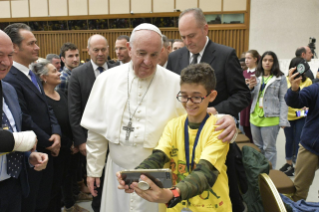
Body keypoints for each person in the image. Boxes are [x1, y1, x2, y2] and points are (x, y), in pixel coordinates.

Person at [81, 23, 236, 212]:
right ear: (130, 49)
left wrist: (225, 118)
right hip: (118, 174)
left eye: (154, 55)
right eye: (142, 53)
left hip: (158, 177)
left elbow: (197, 114)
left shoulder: (175, 82)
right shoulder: (106, 79)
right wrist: (94, 170)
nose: (147, 61)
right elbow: (96, 132)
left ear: (162, 51)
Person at [117, 63, 231, 211]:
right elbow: (158, 157)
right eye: (184, 96)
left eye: (196, 97)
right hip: (176, 207)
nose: (189, 103)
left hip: (210, 207)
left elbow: (205, 173)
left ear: (212, 96)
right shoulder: (173, 125)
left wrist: (173, 194)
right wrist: (136, 176)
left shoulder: (219, 128)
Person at [3, 23, 62, 212]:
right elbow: (26, 122)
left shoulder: (9, 88)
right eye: (31, 43)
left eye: (9, 56)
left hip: (16, 175)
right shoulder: (11, 78)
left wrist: (30, 152)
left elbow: (43, 109)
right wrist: (41, 141)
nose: (5, 62)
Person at [166, 8, 250, 118]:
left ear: (205, 29)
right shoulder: (174, 57)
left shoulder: (225, 55)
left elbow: (242, 95)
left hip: (215, 124)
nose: (187, 42)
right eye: (183, 37)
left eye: (191, 36)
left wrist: (216, 110)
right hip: (181, 124)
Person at [68, 34, 119, 212]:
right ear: (88, 50)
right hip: (91, 140)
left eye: (103, 49)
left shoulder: (118, 69)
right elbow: (74, 111)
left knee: (116, 181)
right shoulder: (78, 74)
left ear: (108, 49)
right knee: (96, 181)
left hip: (116, 138)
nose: (100, 53)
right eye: (95, 49)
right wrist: (81, 141)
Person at [33, 61, 89, 212]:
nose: (59, 73)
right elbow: (50, 126)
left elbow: (71, 118)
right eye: (54, 71)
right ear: (44, 77)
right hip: (57, 149)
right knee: (55, 187)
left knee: (68, 180)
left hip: (71, 148)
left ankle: (69, 206)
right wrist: (67, 144)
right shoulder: (41, 98)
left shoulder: (61, 93)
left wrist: (76, 142)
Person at [249, 51, 289, 169]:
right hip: (255, 117)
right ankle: (260, 174)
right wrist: (250, 87)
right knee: (258, 147)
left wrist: (283, 120)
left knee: (269, 149)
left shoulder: (280, 78)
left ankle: (269, 176)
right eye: (265, 60)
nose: (267, 63)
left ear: (274, 62)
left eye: (270, 60)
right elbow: (251, 96)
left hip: (271, 118)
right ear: (261, 62)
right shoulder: (257, 76)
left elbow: (284, 99)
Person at [285, 66, 319, 202]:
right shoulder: (315, 89)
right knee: (298, 191)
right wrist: (294, 89)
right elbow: (296, 101)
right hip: (311, 145)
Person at [279, 57, 312, 176]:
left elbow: (310, 97)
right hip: (288, 115)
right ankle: (289, 164)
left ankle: (298, 165)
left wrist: (307, 106)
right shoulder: (286, 80)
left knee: (299, 140)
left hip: (301, 115)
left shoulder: (307, 81)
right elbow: (282, 98)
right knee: (289, 140)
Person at [240, 50, 260, 142]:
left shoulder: (260, 73)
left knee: (256, 137)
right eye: (245, 58)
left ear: (255, 59)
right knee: (246, 132)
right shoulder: (243, 73)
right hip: (245, 105)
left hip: (255, 104)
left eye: (249, 58)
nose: (246, 61)